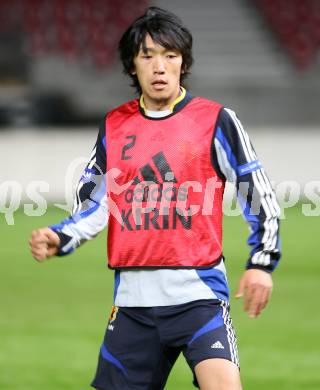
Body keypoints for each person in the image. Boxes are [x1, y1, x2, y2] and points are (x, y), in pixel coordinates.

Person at [29, 6, 281, 390]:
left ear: (184, 63)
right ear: (133, 65)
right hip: (133, 304)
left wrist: (261, 263)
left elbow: (258, 194)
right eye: (147, 56)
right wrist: (62, 236)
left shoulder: (216, 120)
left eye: (170, 55)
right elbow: (99, 203)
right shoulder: (114, 126)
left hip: (199, 297)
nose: (159, 67)